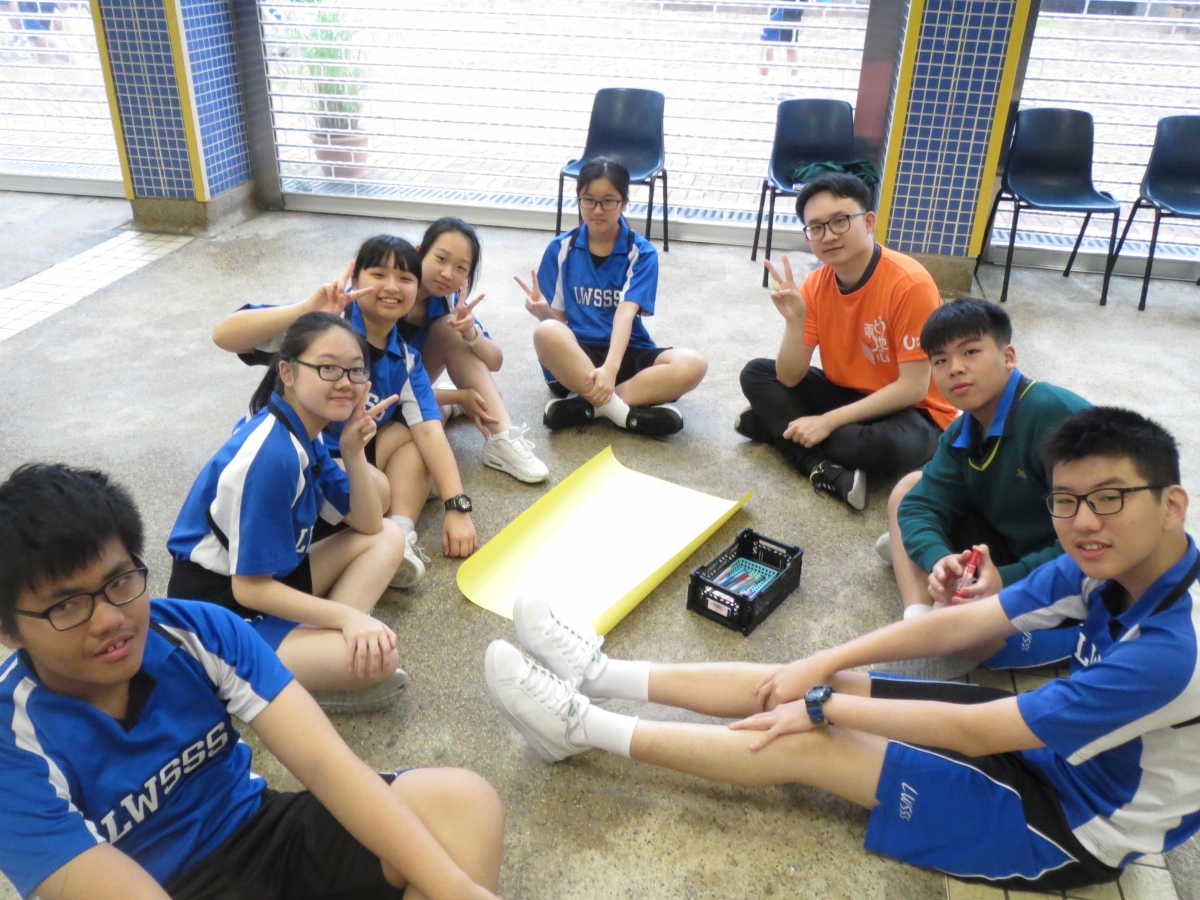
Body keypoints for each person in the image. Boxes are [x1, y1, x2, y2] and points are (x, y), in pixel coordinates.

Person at [485, 407, 1200, 893]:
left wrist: (822, 704)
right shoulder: (1102, 563)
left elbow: (983, 729)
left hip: (1073, 825)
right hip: (1050, 753)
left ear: (1172, 504)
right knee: (812, 684)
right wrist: (823, 667)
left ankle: (579, 728)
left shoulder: (1174, 651)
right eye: (1066, 500)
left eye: (1110, 498)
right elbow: (951, 628)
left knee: (810, 741)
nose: (1083, 521)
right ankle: (600, 673)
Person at [0, 462, 504, 900]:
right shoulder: (12, 742)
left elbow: (326, 763)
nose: (110, 618)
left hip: (255, 830)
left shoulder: (196, 633)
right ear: (8, 630)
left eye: (119, 582)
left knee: (462, 806)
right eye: (67, 605)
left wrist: (457, 890)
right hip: (155, 883)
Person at [169, 312, 410, 715]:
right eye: (328, 368)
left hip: (268, 583)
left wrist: (352, 452)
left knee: (388, 536)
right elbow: (249, 589)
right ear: (288, 372)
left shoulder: (303, 432)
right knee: (383, 657)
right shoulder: (272, 456)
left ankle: (315, 648)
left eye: (355, 370)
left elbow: (369, 524)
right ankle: (282, 674)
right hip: (218, 619)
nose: (345, 382)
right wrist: (348, 618)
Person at [212, 235, 480, 589]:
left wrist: (457, 507)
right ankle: (349, 543)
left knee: (413, 440)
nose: (391, 287)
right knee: (377, 490)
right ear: (355, 279)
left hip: (347, 451)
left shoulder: (405, 357)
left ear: (418, 290)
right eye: (379, 274)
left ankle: (400, 536)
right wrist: (304, 310)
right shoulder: (322, 328)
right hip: (291, 457)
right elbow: (224, 335)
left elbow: (429, 429)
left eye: (404, 278)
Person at [874, 298, 1091, 679]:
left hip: (1081, 573)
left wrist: (1004, 579)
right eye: (940, 360)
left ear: (1009, 356)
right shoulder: (965, 428)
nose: (955, 368)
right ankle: (921, 621)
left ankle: (961, 639)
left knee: (972, 641)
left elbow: (1097, 542)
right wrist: (938, 560)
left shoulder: (1055, 417)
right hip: (1012, 546)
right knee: (909, 489)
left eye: (970, 352)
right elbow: (920, 505)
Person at [737, 172, 956, 510]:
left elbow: (913, 388)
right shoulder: (816, 283)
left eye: (840, 221)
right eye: (816, 227)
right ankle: (818, 466)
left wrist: (828, 421)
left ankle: (775, 428)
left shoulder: (910, 283)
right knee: (756, 373)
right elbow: (789, 377)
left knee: (874, 447)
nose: (828, 235)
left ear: (868, 222)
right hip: (848, 393)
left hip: (915, 413)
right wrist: (795, 322)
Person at [516, 157, 708, 438]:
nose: (597, 210)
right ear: (579, 199)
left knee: (693, 363)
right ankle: (624, 414)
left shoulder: (641, 253)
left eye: (608, 201)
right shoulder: (560, 248)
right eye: (588, 200)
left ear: (624, 203)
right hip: (577, 357)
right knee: (546, 332)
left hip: (625, 352)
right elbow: (557, 322)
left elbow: (625, 314)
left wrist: (610, 369)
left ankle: (587, 407)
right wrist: (543, 312)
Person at [399, 217, 548, 484]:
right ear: (419, 251)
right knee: (411, 444)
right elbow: (387, 389)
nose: (447, 274)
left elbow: (495, 361)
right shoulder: (389, 294)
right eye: (440, 259)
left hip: (414, 383)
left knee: (451, 329)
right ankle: (448, 405)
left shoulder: (449, 300)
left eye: (460, 268)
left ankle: (502, 438)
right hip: (374, 398)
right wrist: (459, 395)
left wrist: (470, 332)